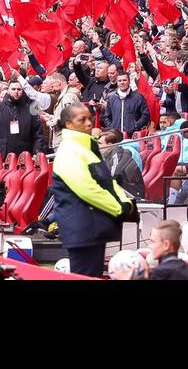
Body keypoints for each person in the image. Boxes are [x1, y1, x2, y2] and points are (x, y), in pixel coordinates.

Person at [50, 104, 132, 277]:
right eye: (82, 120)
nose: (89, 123)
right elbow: (87, 189)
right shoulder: (70, 150)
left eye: (89, 118)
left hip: (91, 227)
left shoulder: (84, 147)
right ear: (69, 124)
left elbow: (106, 182)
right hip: (83, 227)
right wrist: (119, 208)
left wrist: (124, 202)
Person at [116, 219, 188, 280]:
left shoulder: (160, 273)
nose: (149, 246)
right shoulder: (186, 268)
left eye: (153, 242)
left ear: (166, 245)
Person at [0, 82, 43, 156]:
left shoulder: (30, 109)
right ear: (8, 91)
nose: (16, 92)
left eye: (19, 89)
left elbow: (38, 133)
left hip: (25, 154)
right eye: (13, 89)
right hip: (3, 154)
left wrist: (36, 152)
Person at [99, 129, 146, 202]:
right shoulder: (107, 156)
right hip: (121, 191)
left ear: (110, 145)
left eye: (100, 143)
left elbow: (113, 176)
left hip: (132, 194)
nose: (98, 146)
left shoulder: (118, 154)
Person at [105, 72, 152, 137]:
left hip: (132, 136)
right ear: (117, 82)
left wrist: (136, 126)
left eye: (124, 80)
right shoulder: (111, 98)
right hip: (115, 136)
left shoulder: (138, 97)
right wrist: (112, 127)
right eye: (120, 81)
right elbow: (107, 117)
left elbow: (145, 115)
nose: (122, 82)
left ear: (129, 81)